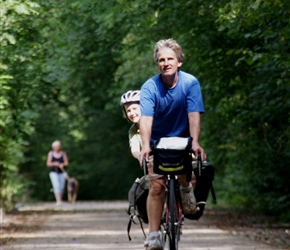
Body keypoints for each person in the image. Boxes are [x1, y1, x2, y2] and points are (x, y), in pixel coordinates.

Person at [139, 39, 206, 249]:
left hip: (182, 141)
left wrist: (195, 142)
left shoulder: (190, 83)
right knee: (157, 186)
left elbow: (193, 115)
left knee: (188, 178)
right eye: (161, 60)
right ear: (157, 64)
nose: (165, 63)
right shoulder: (150, 87)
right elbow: (146, 120)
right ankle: (153, 235)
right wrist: (145, 145)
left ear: (179, 62)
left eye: (170, 59)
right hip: (157, 144)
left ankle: (186, 189)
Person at [46, 140, 69, 205]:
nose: (57, 148)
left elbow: (66, 163)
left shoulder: (63, 153)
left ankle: (60, 200)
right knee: (56, 185)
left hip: (62, 172)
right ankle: (58, 201)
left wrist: (63, 164)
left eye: (58, 146)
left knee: (62, 186)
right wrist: (54, 163)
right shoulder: (51, 153)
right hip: (53, 172)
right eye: (56, 147)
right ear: (53, 147)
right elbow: (48, 164)